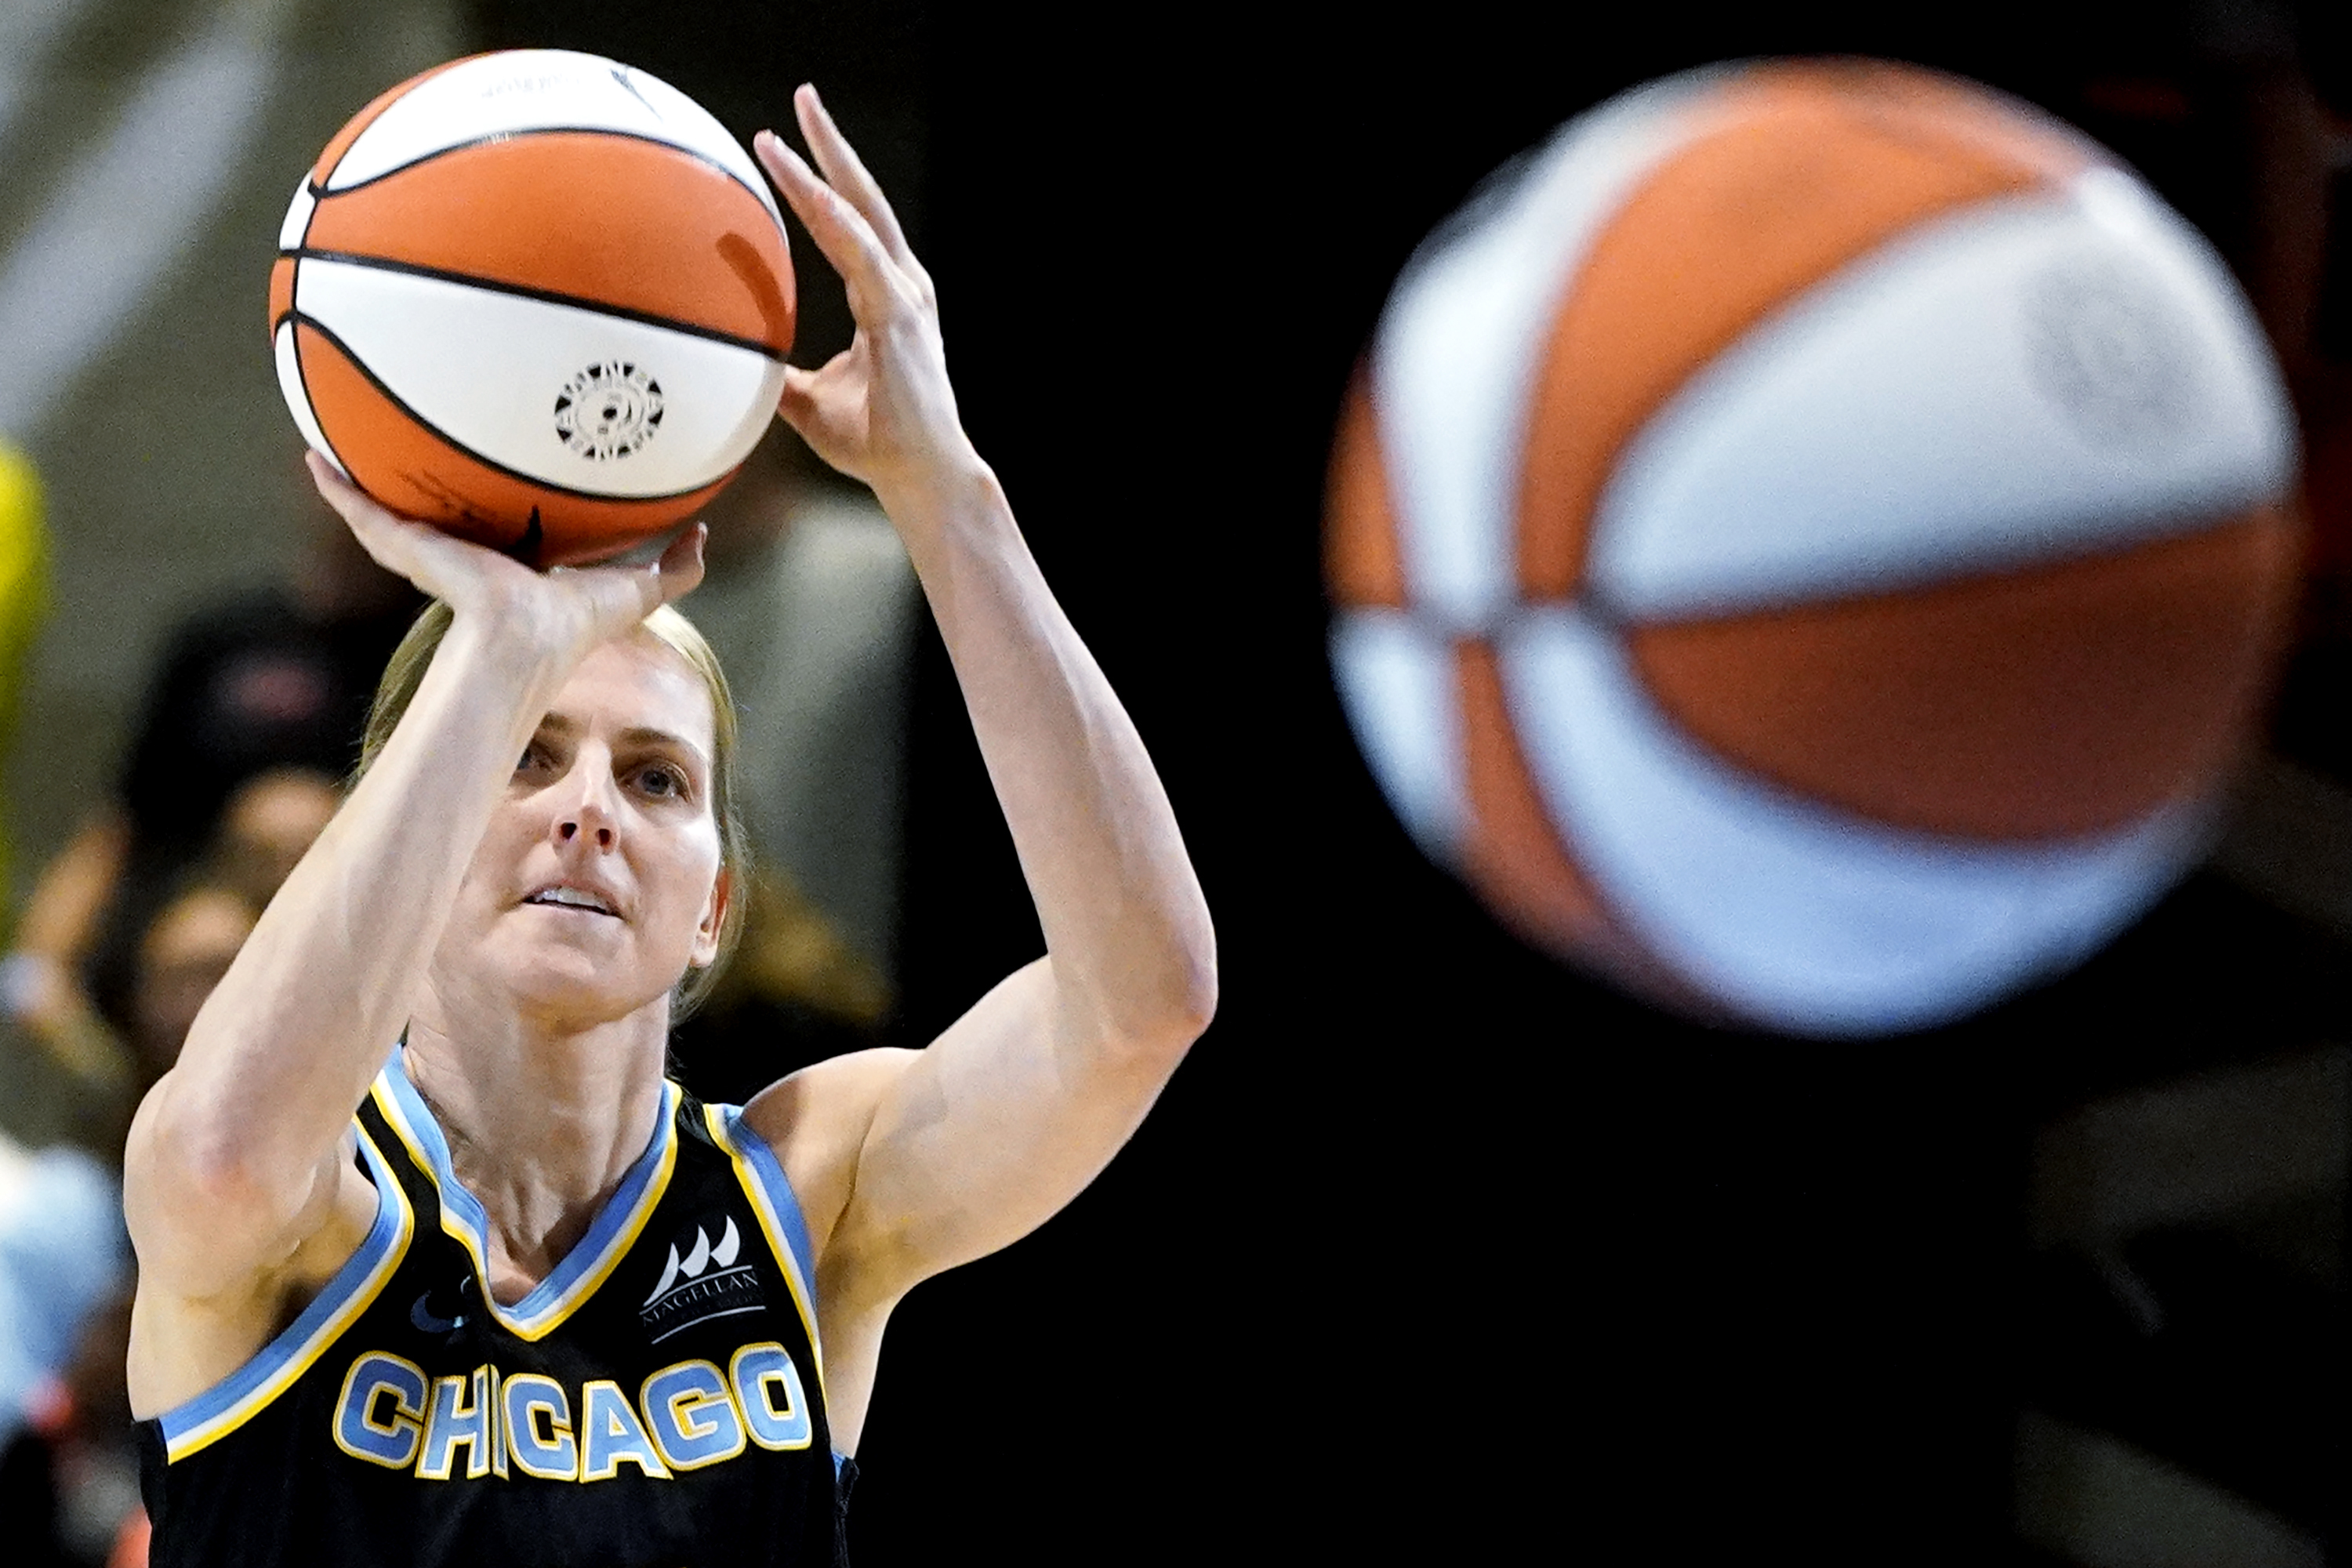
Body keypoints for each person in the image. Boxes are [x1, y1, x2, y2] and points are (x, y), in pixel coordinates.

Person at [121, 85, 1215, 1567]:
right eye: (526, 757)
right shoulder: (314, 1211)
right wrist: (500, 642)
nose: (587, 811)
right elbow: (225, 1160)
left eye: (655, 779)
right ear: (409, 836)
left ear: (713, 905)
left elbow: (1143, 996)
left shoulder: (809, 1196)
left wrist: (942, 492)